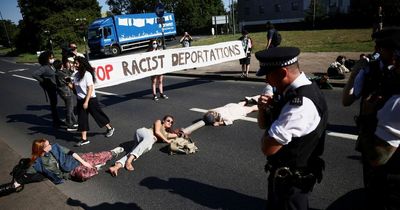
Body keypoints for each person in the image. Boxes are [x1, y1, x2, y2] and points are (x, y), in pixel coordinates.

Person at [255, 47, 328, 210]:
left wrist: (273, 123)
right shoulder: (291, 93)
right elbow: (263, 124)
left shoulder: (300, 104)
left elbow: (268, 148)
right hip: (283, 178)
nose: (267, 80)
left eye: (268, 75)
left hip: (292, 184)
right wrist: (263, 110)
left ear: (282, 73)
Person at [343, 29, 400, 209]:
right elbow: (347, 100)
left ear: (393, 51)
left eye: (380, 47)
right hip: (372, 140)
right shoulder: (370, 70)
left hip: (388, 147)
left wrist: (368, 114)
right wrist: (355, 73)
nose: (375, 50)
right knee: (374, 188)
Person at [108, 115, 184, 176]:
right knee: (150, 139)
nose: (170, 123)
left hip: (148, 142)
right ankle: (129, 161)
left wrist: (181, 133)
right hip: (144, 133)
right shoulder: (159, 122)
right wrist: (167, 140)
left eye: (171, 122)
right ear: (163, 120)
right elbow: (157, 132)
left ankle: (116, 167)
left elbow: (176, 135)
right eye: (168, 120)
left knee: (135, 151)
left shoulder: (167, 134)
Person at [26, 138, 124, 184]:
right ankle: (95, 166)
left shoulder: (55, 146)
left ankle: (112, 153)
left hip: (74, 159)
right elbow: (28, 173)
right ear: (42, 149)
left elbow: (70, 152)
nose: (50, 145)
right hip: (70, 171)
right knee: (83, 174)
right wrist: (17, 183)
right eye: (48, 145)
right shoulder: (38, 162)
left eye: (49, 143)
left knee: (96, 156)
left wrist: (83, 162)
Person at [73, 56, 115, 146]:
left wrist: (86, 102)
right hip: (80, 100)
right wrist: (68, 83)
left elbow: (90, 88)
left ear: (81, 64)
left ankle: (110, 128)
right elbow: (75, 89)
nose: (74, 65)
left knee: (97, 115)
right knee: (82, 119)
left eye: (76, 63)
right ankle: (84, 139)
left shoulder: (87, 74)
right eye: (74, 63)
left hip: (90, 99)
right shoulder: (76, 75)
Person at [32, 51, 63, 128]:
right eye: (50, 58)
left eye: (52, 57)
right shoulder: (44, 67)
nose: (52, 59)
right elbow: (34, 74)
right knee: (53, 105)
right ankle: (56, 122)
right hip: (50, 88)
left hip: (55, 87)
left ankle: (57, 120)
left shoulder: (51, 66)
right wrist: (44, 81)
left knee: (54, 104)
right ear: (46, 59)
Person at [53, 59, 78, 131]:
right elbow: (68, 80)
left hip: (62, 92)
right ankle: (69, 124)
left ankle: (74, 121)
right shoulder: (61, 73)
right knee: (69, 108)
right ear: (61, 65)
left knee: (69, 107)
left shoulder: (58, 72)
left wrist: (71, 70)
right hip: (66, 92)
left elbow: (68, 74)